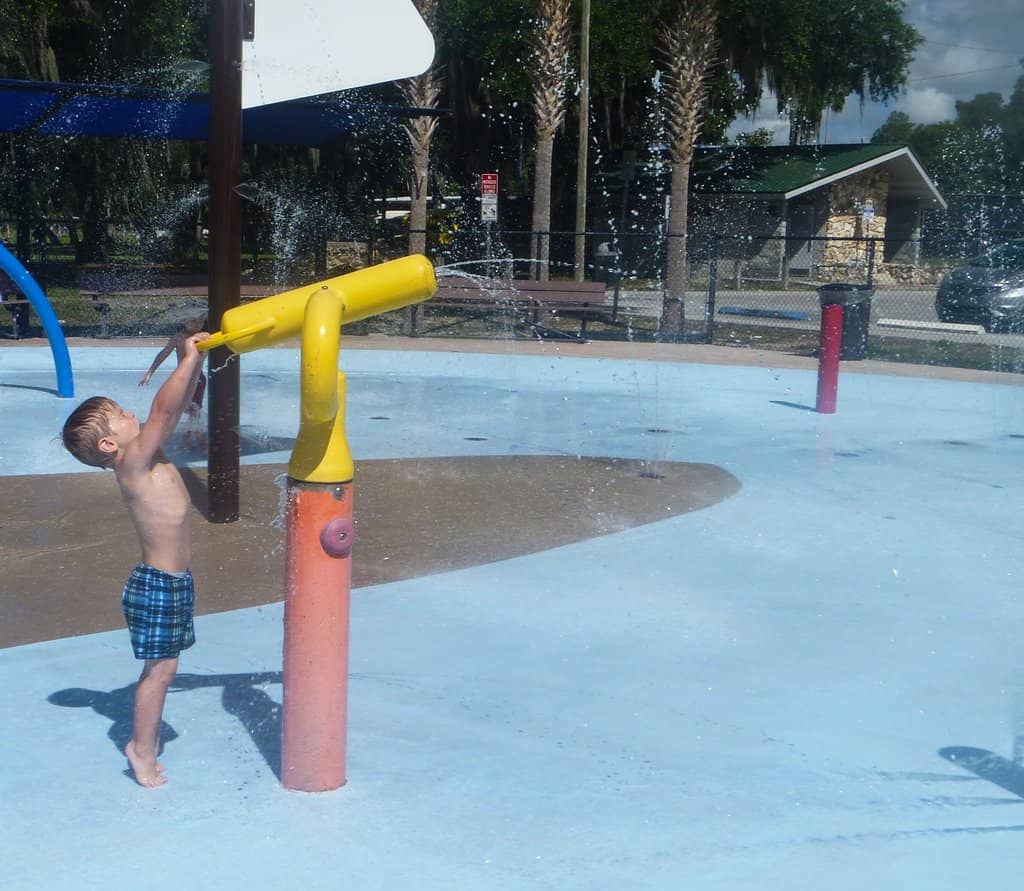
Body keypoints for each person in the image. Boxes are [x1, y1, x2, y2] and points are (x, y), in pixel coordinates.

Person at [61, 330, 210, 787]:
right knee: (161, 671)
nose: (131, 414)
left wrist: (197, 363)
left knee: (166, 668)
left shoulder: (142, 455)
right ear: (109, 445)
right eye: (120, 415)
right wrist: (187, 358)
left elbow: (175, 406)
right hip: (158, 585)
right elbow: (163, 411)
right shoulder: (133, 462)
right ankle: (140, 749)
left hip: (172, 582)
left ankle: (141, 744)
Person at [139, 314, 208, 448]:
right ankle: (190, 435)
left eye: (200, 321)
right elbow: (163, 354)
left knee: (196, 409)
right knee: (183, 408)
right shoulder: (179, 338)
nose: (197, 324)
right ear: (184, 320)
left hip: (198, 379)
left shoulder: (204, 337)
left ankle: (197, 437)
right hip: (182, 379)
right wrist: (150, 372)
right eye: (193, 320)